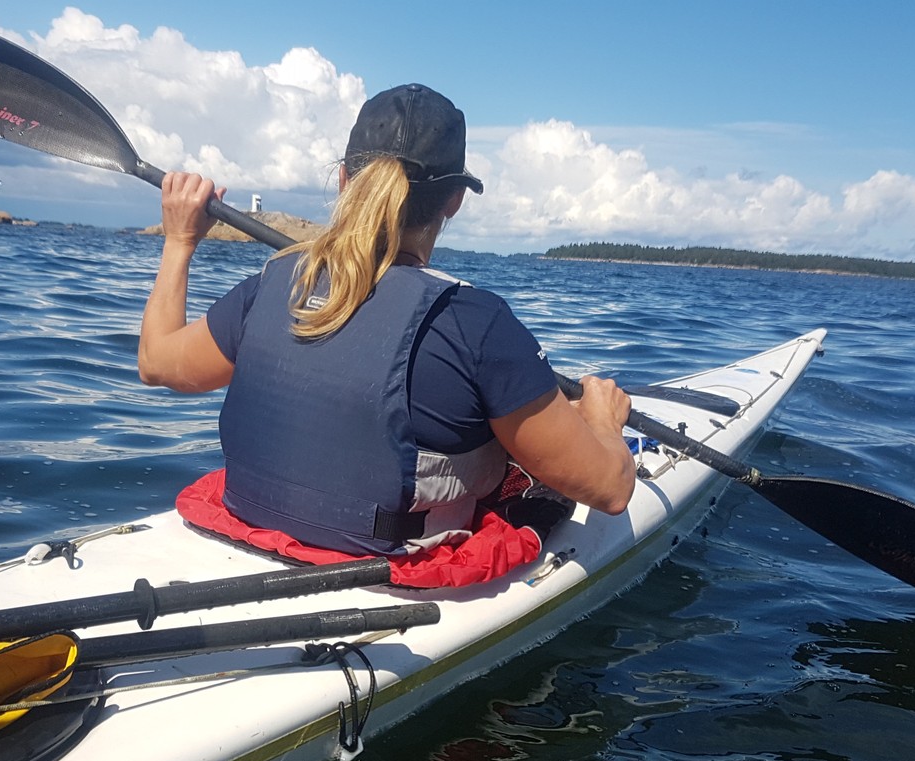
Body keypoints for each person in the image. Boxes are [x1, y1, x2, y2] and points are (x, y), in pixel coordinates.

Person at [138, 83, 635, 557]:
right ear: (454, 201)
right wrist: (602, 420)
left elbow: (158, 363)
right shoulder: (477, 326)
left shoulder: (270, 284)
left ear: (344, 180)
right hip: (392, 562)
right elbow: (610, 490)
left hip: (250, 528)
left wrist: (181, 240)